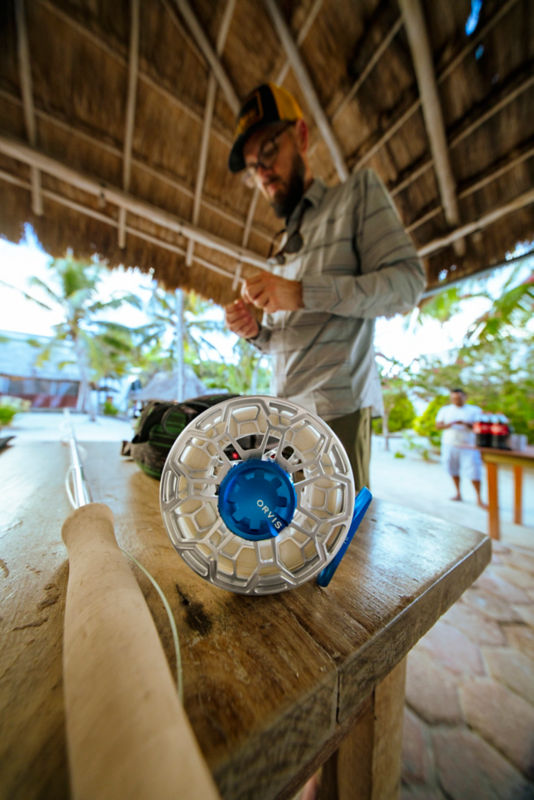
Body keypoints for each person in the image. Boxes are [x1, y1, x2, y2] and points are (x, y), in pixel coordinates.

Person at [224, 83, 426, 490]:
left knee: (343, 541)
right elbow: (287, 341)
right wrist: (256, 332)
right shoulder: (280, 249)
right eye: (252, 167)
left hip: (338, 414)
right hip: (283, 415)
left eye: (268, 151)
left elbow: (408, 284)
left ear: (300, 136)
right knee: (292, 540)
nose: (262, 173)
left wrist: (300, 293)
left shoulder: (357, 196)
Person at [435, 388, 486, 507]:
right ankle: (458, 493)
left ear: (465, 397)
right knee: (452, 469)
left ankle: (479, 498)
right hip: (449, 444)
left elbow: (481, 426)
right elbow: (438, 425)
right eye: (454, 398)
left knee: (474, 471)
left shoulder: (475, 410)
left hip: (469, 446)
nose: (456, 400)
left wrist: (465, 423)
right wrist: (451, 424)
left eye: (459, 398)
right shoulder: (445, 410)